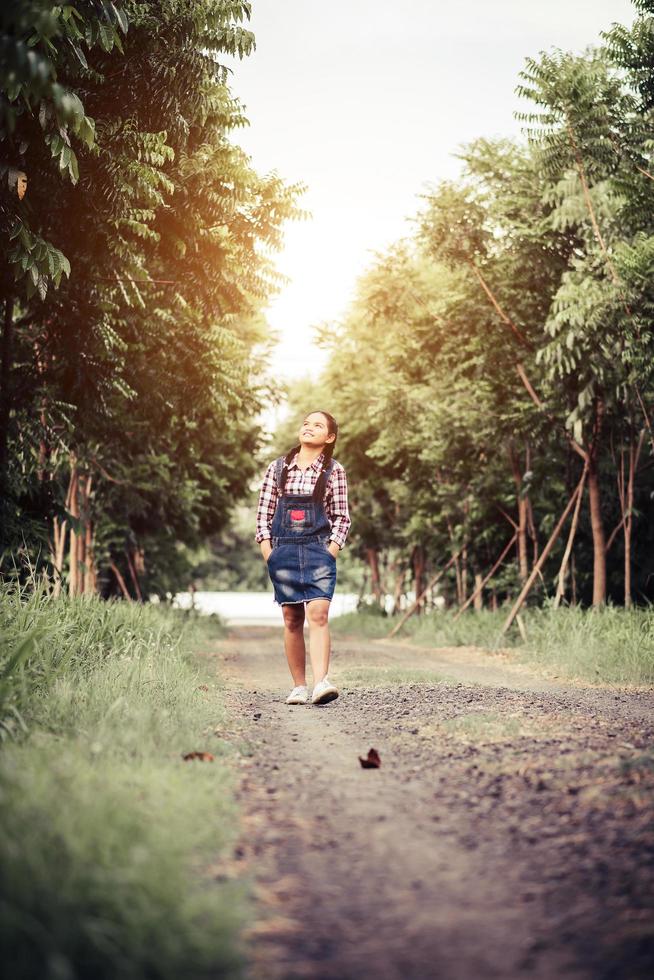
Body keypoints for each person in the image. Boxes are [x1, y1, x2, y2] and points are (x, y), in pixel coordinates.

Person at [255, 410, 351, 706]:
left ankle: (321, 682)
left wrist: (329, 552)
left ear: (330, 437)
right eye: (307, 423)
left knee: (318, 614)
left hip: (318, 550)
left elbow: (342, 518)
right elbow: (263, 517)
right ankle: (299, 686)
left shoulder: (334, 471)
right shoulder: (278, 468)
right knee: (292, 618)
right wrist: (270, 554)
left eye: (318, 425)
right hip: (283, 550)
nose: (309, 428)